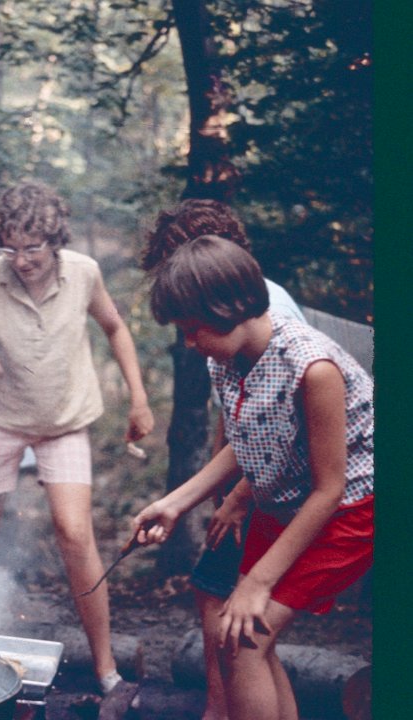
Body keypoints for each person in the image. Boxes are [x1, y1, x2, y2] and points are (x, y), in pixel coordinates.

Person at [133, 235, 373, 720]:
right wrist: (176, 502)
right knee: (239, 636)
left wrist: (258, 583)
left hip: (346, 510)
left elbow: (330, 490)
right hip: (284, 501)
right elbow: (246, 444)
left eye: (195, 329)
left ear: (232, 309)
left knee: (244, 639)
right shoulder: (224, 358)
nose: (190, 341)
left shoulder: (312, 368)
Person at [0, 181, 154, 694]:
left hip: (65, 420)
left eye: (32, 248)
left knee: (75, 533)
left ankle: (105, 665)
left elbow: (116, 328)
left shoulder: (84, 273)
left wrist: (138, 398)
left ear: (55, 241)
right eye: (9, 248)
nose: (21, 259)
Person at [140, 198, 305, 720]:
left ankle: (221, 711)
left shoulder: (267, 322)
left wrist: (236, 498)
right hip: (253, 479)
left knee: (241, 626)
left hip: (284, 490)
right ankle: (220, 709)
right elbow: (238, 418)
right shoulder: (221, 325)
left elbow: (289, 434)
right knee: (216, 598)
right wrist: (196, 496)